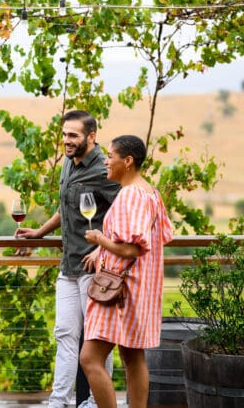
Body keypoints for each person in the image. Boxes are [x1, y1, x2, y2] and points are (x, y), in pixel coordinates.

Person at [15, 110, 120, 408]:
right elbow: (65, 208)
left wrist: (103, 246)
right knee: (64, 335)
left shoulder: (103, 169)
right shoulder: (67, 163)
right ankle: (58, 401)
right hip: (68, 267)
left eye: (73, 135)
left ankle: (97, 402)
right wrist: (40, 232)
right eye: (64, 135)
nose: (66, 140)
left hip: (94, 270)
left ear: (91, 136)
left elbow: (125, 211)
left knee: (98, 341)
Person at [80, 135, 174, 408]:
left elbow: (131, 249)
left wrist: (100, 239)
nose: (106, 162)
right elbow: (160, 237)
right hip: (142, 287)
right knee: (133, 357)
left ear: (128, 161)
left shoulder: (130, 195)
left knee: (89, 359)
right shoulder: (151, 193)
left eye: (111, 156)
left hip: (120, 290)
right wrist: (104, 247)